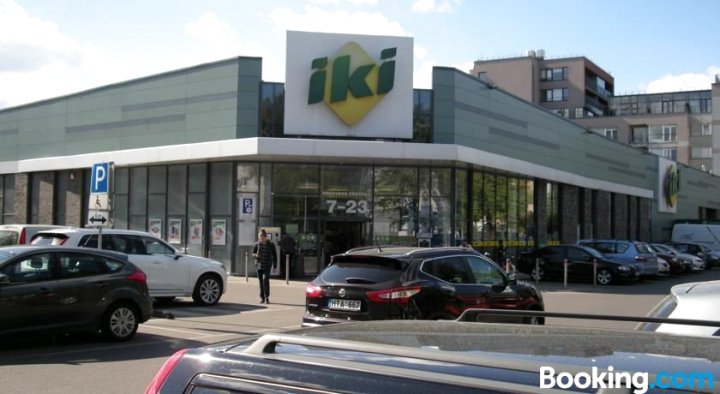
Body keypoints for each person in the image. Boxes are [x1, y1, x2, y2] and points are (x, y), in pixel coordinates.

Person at [252, 229, 277, 304]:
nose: (261, 238)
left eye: (262, 237)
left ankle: (267, 297)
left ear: (265, 236)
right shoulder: (257, 244)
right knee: (260, 281)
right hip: (259, 266)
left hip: (267, 265)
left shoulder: (271, 244)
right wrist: (255, 255)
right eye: (259, 237)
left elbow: (275, 255)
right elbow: (253, 253)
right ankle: (262, 297)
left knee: (265, 280)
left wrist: (275, 266)